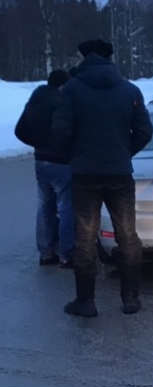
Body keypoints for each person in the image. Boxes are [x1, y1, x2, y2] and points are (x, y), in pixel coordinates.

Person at [53, 39, 153, 317]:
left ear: (82, 57)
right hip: (120, 174)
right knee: (127, 235)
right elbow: (145, 131)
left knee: (85, 237)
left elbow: (60, 133)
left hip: (85, 175)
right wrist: (123, 152)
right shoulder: (129, 90)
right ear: (110, 57)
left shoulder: (71, 91)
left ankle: (86, 301)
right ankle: (130, 298)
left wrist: (76, 155)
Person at [15, 69, 74, 268]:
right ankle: (67, 253)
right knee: (66, 206)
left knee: (45, 206)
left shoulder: (34, 100)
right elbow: (66, 131)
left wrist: (39, 144)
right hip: (61, 161)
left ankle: (46, 252)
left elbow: (19, 130)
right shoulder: (61, 102)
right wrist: (61, 147)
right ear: (62, 85)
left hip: (41, 160)